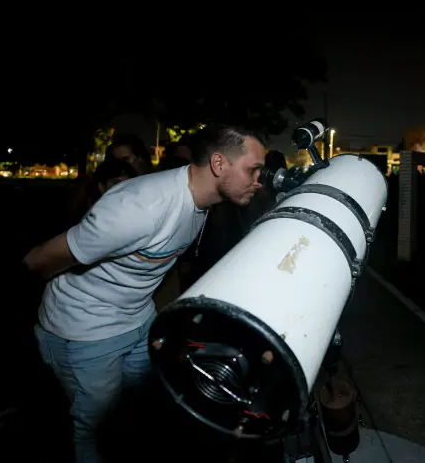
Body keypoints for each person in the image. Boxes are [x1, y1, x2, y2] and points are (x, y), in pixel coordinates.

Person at [23, 125, 265, 463]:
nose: (258, 181)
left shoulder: (201, 203)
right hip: (85, 331)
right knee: (94, 428)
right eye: (253, 170)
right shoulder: (139, 207)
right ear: (219, 163)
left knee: (138, 410)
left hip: (138, 321)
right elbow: (39, 259)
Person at [65, 159, 138, 227]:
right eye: (117, 183)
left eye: (129, 184)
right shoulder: (90, 218)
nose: (124, 189)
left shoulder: (135, 211)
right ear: (101, 187)